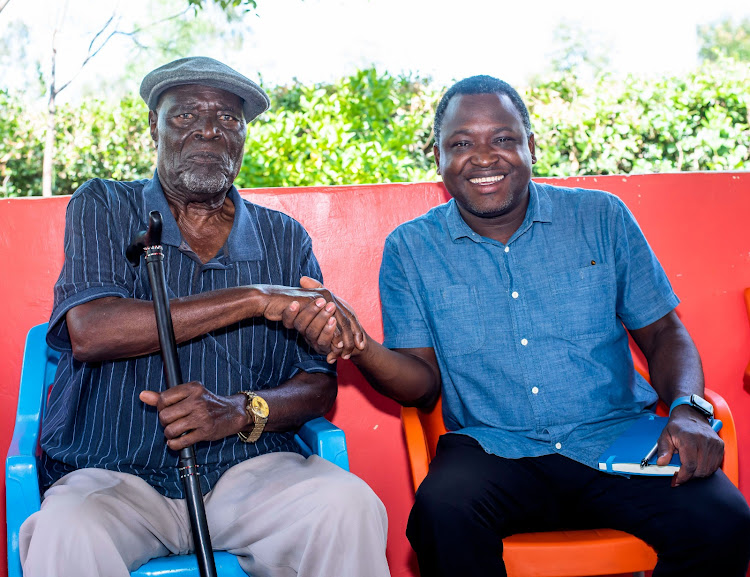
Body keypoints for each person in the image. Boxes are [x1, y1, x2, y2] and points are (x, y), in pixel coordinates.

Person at [285, 75, 750, 576]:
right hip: (494, 450)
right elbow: (420, 388)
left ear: (530, 146)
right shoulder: (411, 248)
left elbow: (664, 334)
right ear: (437, 157)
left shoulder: (601, 217)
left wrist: (688, 409)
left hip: (617, 439)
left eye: (502, 139)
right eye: (461, 143)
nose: (483, 157)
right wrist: (361, 347)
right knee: (441, 516)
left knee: (724, 522)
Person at [19, 56, 389, 577]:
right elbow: (92, 330)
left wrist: (241, 411)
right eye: (186, 115)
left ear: (242, 137)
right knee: (65, 532)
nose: (209, 130)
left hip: (249, 474)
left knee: (345, 507)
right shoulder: (105, 204)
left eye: (229, 120)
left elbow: (318, 385)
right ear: (153, 126)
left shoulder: (285, 239)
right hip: (112, 477)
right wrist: (252, 297)